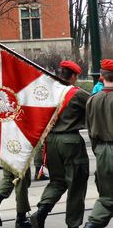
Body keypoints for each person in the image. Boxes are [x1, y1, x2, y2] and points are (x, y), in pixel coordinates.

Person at [30, 60, 89, 228]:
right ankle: (73, 224)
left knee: (57, 181)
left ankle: (41, 212)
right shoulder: (77, 94)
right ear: (74, 76)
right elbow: (93, 105)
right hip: (70, 141)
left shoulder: (47, 91)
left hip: (51, 141)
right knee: (77, 184)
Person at [83, 59, 113, 228]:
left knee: (106, 197)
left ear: (102, 76)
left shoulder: (92, 100)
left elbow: (90, 131)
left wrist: (100, 151)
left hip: (102, 151)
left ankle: (92, 225)